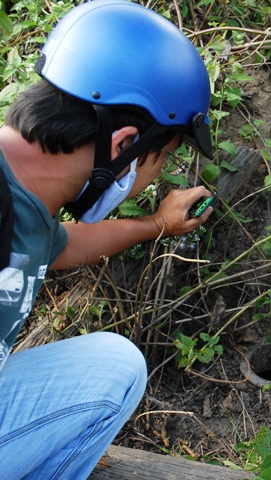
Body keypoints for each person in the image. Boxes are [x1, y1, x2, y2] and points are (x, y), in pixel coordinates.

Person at [0, 1, 215, 478]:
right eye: (161, 160)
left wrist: (157, 225)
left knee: (114, 365)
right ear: (123, 145)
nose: (154, 175)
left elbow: (61, 246)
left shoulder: (27, 202)